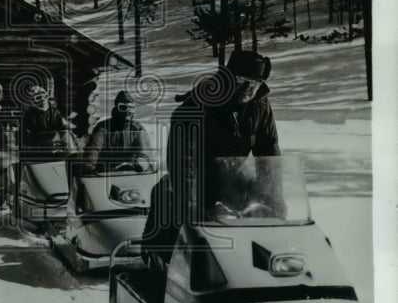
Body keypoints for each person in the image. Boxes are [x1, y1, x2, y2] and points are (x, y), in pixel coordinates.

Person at [143, 49, 281, 271]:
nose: (249, 88)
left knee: (268, 211)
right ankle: (166, 267)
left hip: (232, 178)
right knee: (176, 205)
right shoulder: (195, 107)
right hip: (197, 179)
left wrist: (272, 198)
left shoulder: (260, 106)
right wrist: (193, 205)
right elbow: (181, 164)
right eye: (242, 80)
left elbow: (269, 153)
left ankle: (265, 266)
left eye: (255, 81)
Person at [82, 91, 151, 174]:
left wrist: (140, 165)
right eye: (123, 107)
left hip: (131, 172)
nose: (127, 111)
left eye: (131, 108)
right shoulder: (103, 127)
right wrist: (89, 165)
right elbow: (94, 148)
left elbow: (144, 152)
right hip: (105, 174)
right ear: (116, 108)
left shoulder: (137, 128)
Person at [22, 85, 69, 153]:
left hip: (54, 148)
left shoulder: (55, 112)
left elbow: (62, 130)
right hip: (38, 151)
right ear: (33, 101)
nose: (42, 98)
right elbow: (27, 136)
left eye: (44, 95)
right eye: (38, 97)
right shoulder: (29, 115)